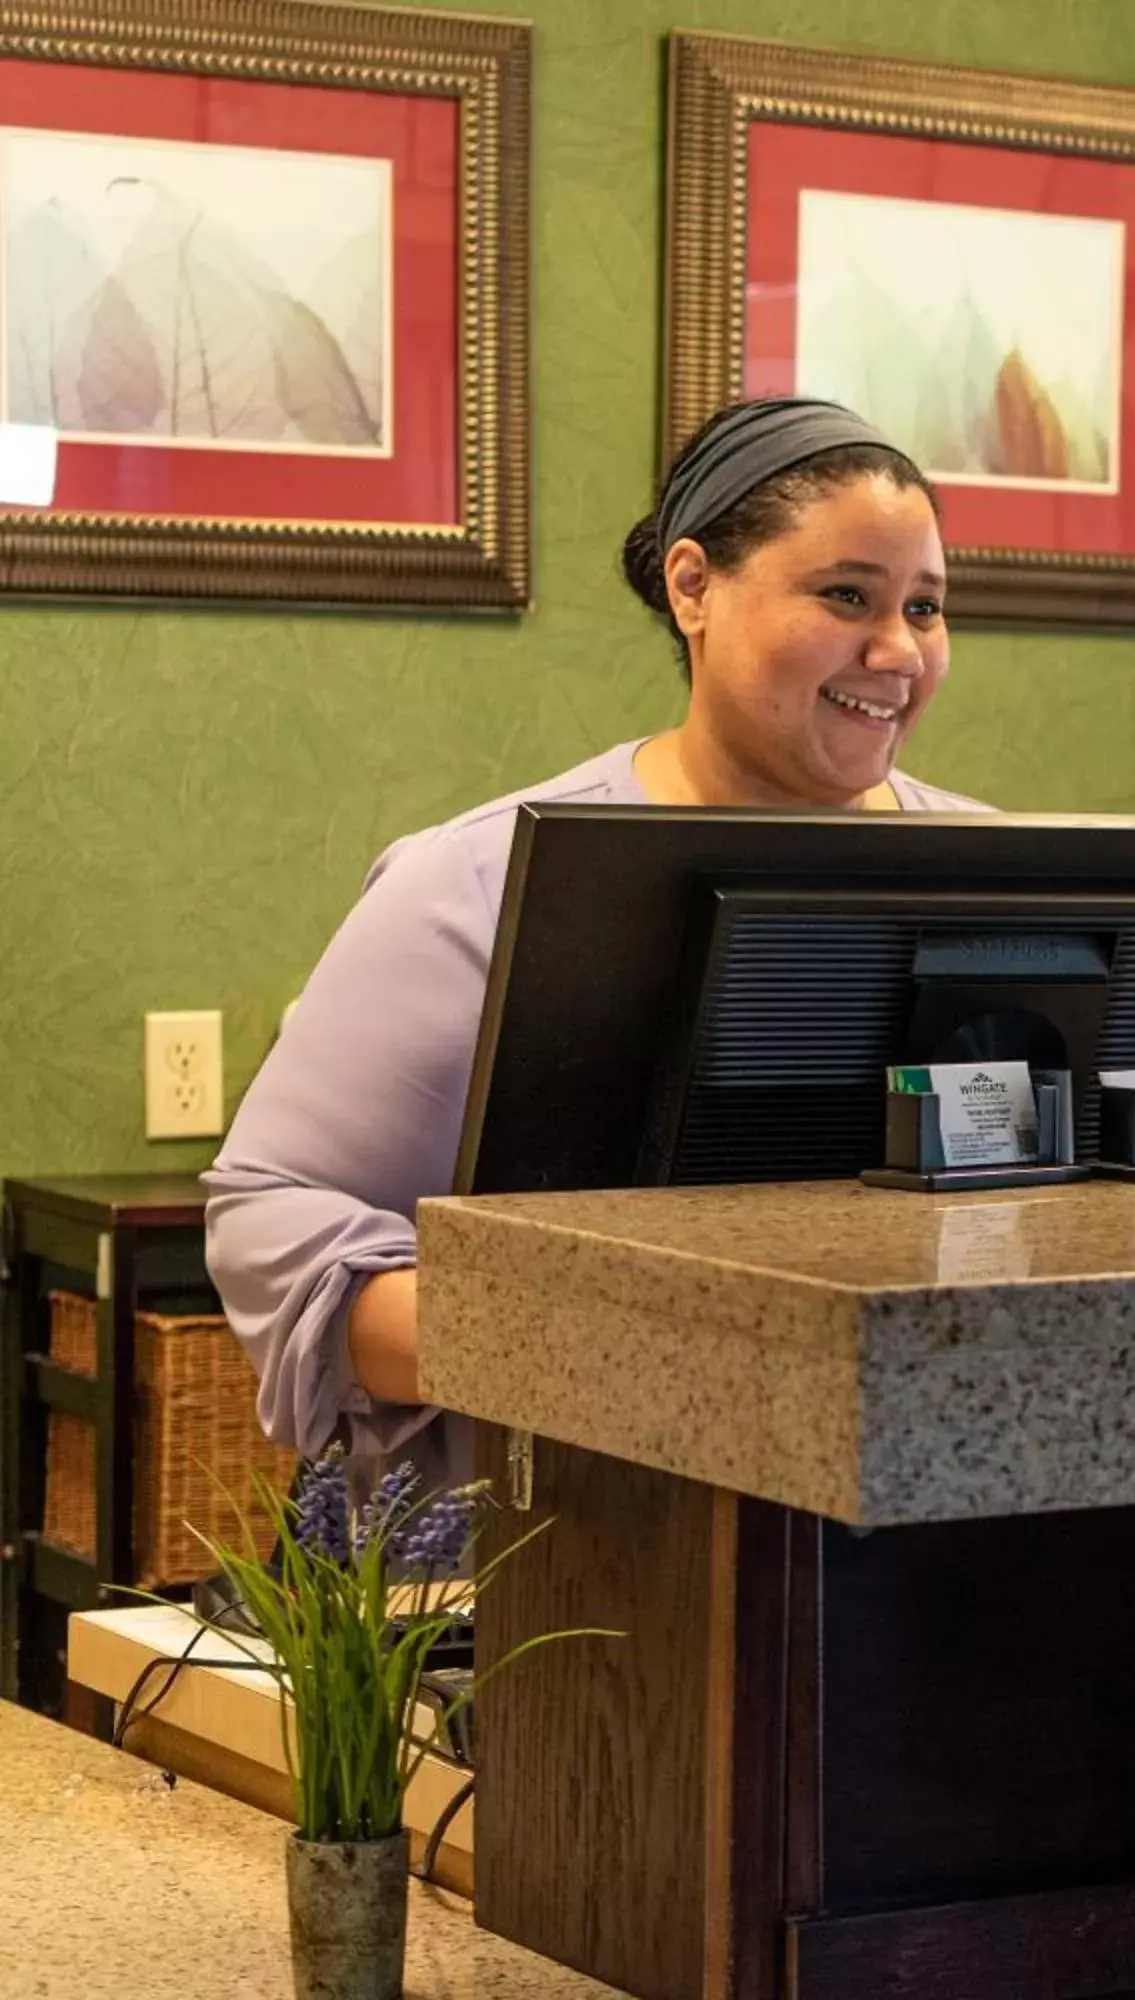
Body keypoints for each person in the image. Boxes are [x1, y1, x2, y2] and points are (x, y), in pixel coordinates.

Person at [208, 398, 984, 1488]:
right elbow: (269, 1218)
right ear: (692, 586)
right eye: (846, 594)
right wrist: (601, 1357)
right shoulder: (478, 879)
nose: (898, 648)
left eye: (928, 606)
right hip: (562, 1545)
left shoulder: (1000, 873)